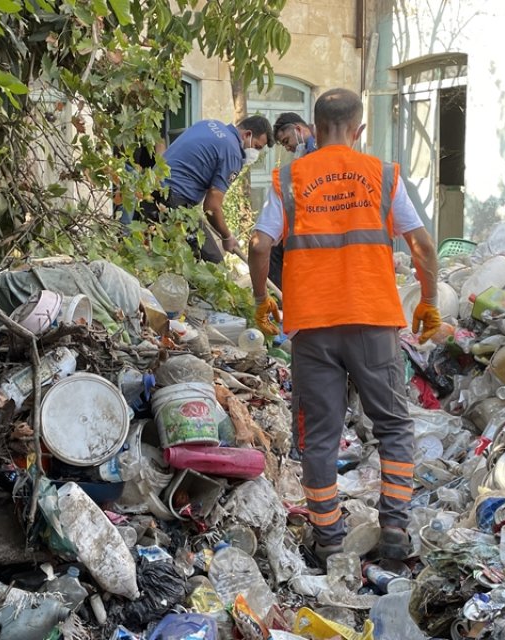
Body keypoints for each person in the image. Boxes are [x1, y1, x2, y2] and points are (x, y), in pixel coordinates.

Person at [247, 88, 441, 570]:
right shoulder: (384, 174)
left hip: (312, 327)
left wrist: (260, 298)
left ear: (314, 126)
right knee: (393, 424)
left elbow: (257, 245)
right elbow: (422, 244)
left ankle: (330, 539)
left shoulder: (290, 177)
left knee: (320, 437)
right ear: (358, 130)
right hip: (373, 321)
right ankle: (394, 528)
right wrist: (430, 300)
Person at [136, 115, 273, 263]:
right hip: (173, 202)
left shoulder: (211, 124)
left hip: (150, 193)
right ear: (247, 135)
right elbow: (212, 207)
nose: (256, 153)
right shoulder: (233, 151)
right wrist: (227, 236)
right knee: (213, 264)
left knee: (156, 260)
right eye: (257, 147)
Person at [266, 113, 317, 287]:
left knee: (272, 248)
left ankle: (280, 300)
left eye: (287, 141)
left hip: (314, 223)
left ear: (298, 129)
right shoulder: (307, 152)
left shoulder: (316, 149)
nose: (287, 148)